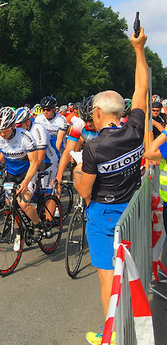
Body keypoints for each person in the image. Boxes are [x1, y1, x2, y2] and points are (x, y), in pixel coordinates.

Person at [73, 27, 148, 345]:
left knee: (107, 275)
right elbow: (142, 88)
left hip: (103, 216)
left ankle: (112, 333)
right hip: (131, 208)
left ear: (99, 112)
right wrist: (139, 49)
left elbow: (84, 191)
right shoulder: (135, 129)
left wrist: (78, 169)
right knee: (131, 267)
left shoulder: (93, 148)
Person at [0, 107, 42, 250]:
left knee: (23, 204)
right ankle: (18, 233)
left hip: (27, 172)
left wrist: (25, 182)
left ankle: (37, 225)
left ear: (12, 126)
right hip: (11, 173)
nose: (2, 133)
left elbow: (35, 162)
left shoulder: (25, 137)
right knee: (10, 205)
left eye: (5, 130)